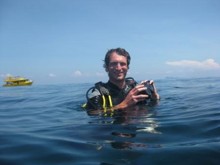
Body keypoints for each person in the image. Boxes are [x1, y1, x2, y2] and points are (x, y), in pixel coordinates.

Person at [85, 48, 160, 110]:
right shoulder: (98, 94)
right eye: (114, 64)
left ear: (128, 67)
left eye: (122, 64)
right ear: (106, 67)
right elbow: (94, 115)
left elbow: (152, 106)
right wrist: (123, 105)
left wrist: (154, 97)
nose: (118, 68)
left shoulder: (134, 88)